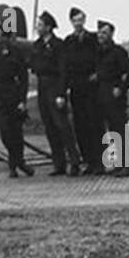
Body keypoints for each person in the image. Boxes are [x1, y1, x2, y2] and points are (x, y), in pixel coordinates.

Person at [30, 11, 82, 176]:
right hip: (42, 87)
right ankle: (58, 163)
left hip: (54, 86)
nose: (37, 28)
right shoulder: (37, 45)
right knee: (50, 127)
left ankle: (74, 162)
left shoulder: (59, 45)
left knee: (62, 126)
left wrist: (61, 93)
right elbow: (34, 64)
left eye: (40, 25)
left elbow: (62, 70)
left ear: (48, 27)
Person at [0, 26, 33, 177]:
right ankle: (15, 161)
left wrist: (22, 99)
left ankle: (16, 163)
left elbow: (23, 77)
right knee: (5, 131)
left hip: (12, 93)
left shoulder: (14, 52)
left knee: (16, 131)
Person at [94, 20, 129, 176]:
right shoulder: (98, 52)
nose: (101, 36)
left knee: (120, 129)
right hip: (101, 95)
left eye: (104, 33)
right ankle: (119, 163)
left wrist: (121, 88)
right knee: (112, 132)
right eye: (99, 32)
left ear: (111, 35)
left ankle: (128, 165)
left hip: (114, 97)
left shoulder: (118, 52)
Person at [62, 7, 103, 174]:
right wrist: (65, 87)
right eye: (75, 21)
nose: (78, 23)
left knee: (95, 125)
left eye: (80, 20)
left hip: (91, 89)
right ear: (71, 22)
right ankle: (89, 161)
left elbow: (101, 58)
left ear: (84, 20)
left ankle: (99, 161)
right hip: (76, 88)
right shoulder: (69, 42)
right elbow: (65, 66)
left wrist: (97, 74)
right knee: (81, 126)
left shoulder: (92, 39)